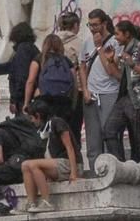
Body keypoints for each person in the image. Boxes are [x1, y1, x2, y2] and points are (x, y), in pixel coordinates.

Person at [101, 20, 140, 163]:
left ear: (127, 34)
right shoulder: (125, 51)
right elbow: (119, 77)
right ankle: (120, 165)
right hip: (125, 99)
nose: (115, 37)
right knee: (109, 130)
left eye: (117, 34)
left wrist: (133, 65)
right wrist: (110, 61)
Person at [18, 99, 79, 214]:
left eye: (31, 118)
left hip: (68, 164)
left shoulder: (57, 122)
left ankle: (47, 202)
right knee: (25, 166)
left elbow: (69, 148)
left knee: (31, 164)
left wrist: (74, 172)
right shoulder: (44, 128)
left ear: (38, 115)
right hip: (58, 164)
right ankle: (31, 203)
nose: (31, 121)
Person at [80, 9, 120, 170]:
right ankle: (96, 170)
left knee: (109, 133)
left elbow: (111, 71)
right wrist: (85, 89)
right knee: (93, 137)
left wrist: (99, 47)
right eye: (90, 25)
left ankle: (115, 169)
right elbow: (82, 66)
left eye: (96, 25)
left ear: (104, 23)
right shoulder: (86, 42)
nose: (92, 28)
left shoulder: (115, 42)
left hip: (110, 92)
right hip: (92, 93)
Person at [25, 34, 78, 150]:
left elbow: (30, 81)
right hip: (63, 102)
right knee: (61, 132)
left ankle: (43, 158)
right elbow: (74, 84)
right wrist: (73, 104)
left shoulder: (39, 59)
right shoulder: (66, 61)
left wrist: (26, 103)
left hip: (43, 101)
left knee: (43, 132)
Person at [55, 11, 85, 167]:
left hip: (54, 94)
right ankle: (75, 162)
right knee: (74, 128)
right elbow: (83, 68)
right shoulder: (78, 43)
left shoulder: (51, 42)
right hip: (75, 91)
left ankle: (59, 161)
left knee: (58, 128)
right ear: (75, 25)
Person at [0, 21, 39, 116]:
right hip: (29, 96)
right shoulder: (32, 48)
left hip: (23, 99)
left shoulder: (23, 49)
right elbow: (11, 67)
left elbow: (21, 76)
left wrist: (14, 100)